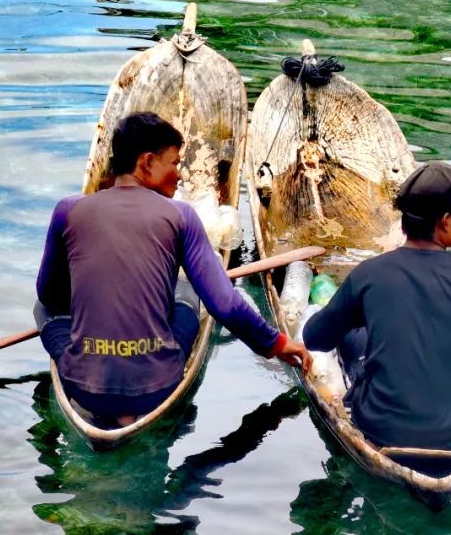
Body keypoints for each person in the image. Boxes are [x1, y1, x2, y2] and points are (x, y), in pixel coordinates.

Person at [35, 112, 311, 426]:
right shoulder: (180, 216)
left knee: (42, 309)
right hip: (157, 386)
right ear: (147, 162)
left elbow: (49, 295)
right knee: (187, 292)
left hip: (84, 388)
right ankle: (134, 402)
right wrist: (277, 343)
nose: (179, 175)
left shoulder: (68, 211)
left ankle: (91, 376)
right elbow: (225, 305)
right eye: (175, 164)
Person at [303, 161, 451, 449]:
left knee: (355, 338)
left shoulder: (368, 273)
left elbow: (314, 337)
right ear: (445, 221)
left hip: (380, 427)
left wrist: (361, 315)